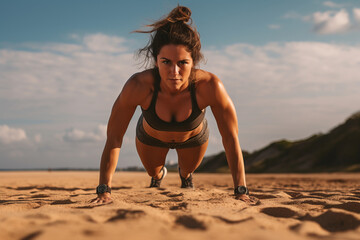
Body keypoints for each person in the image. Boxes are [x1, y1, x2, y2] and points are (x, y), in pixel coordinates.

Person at [92, 6, 254, 205]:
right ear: (155, 61)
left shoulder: (210, 86)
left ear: (193, 61)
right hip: (151, 137)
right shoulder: (138, 86)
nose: (174, 71)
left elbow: (230, 138)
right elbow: (114, 137)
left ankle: (185, 176)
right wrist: (104, 189)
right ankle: (158, 177)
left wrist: (241, 190)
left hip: (193, 138)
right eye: (166, 62)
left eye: (183, 63)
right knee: (154, 172)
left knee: (187, 171)